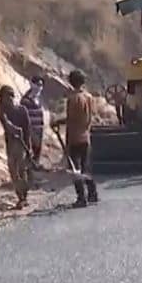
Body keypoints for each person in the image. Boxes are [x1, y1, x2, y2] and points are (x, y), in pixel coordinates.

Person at [53, 70, 99, 208]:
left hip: (74, 137)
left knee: (75, 169)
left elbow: (71, 119)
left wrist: (58, 122)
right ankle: (92, 193)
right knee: (86, 168)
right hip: (86, 136)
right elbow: (90, 116)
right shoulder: (89, 97)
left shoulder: (73, 99)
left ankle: (81, 197)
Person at [0, 85, 33, 208]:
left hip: (21, 145)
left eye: (5, 98)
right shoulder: (1, 109)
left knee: (22, 171)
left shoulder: (22, 110)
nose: (3, 101)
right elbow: (6, 123)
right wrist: (15, 130)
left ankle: (24, 197)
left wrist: (29, 147)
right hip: (11, 144)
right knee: (13, 172)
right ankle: (20, 196)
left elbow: (28, 130)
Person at [20, 76, 46, 169]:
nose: (39, 87)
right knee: (29, 154)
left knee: (37, 153)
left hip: (39, 131)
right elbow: (23, 119)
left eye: (41, 85)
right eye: (37, 85)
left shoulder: (39, 100)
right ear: (32, 84)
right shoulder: (25, 101)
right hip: (30, 131)